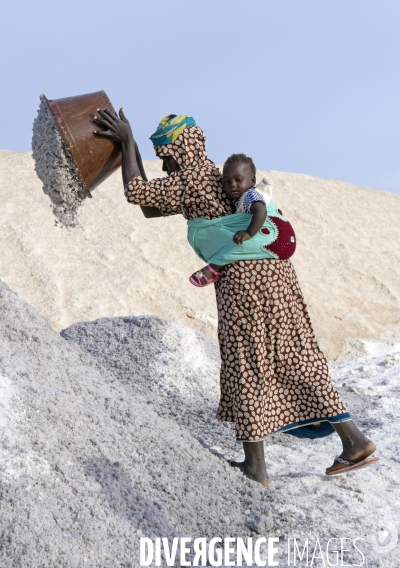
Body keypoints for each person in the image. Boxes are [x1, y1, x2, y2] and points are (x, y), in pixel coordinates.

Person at [93, 109, 378, 486]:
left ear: (178, 148)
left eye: (163, 154)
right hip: (278, 278)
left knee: (247, 361)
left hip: (243, 283)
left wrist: (126, 141)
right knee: (295, 353)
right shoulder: (217, 174)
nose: (161, 162)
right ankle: (354, 440)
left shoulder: (190, 179)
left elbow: (137, 195)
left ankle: (256, 467)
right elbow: (151, 210)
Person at [187, 152, 296, 287]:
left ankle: (214, 268)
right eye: (227, 181)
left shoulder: (250, 194)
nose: (232, 184)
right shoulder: (238, 199)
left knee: (239, 245)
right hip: (281, 240)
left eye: (238, 180)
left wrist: (249, 232)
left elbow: (261, 211)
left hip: (278, 239)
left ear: (252, 181)